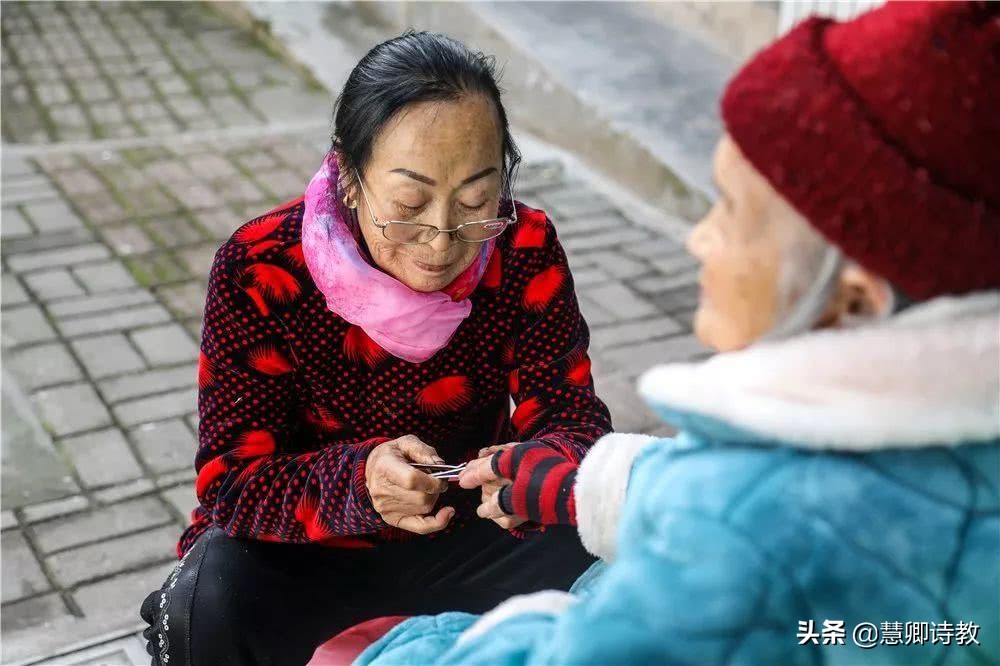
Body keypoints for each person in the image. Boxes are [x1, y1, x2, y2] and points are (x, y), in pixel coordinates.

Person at [356, 2, 1000, 664]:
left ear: (855, 303)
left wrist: (400, 649)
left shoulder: (741, 532)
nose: (700, 237)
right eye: (407, 205)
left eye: (732, 213)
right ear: (352, 180)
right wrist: (586, 482)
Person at [138, 30, 612, 666]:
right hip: (312, 547)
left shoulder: (523, 246)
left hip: (475, 526)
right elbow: (230, 485)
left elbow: (573, 423)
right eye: (410, 204)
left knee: (611, 538)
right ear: (351, 178)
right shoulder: (262, 267)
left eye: (476, 201)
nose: (443, 240)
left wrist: (530, 473)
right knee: (209, 597)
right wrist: (358, 482)